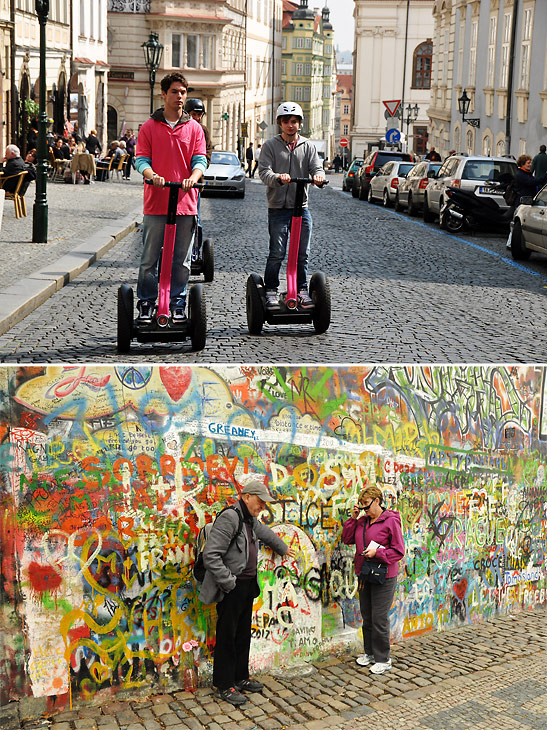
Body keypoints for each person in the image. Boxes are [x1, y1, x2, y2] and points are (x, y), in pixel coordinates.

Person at [198, 479, 295, 706]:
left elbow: (265, 534)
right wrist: (229, 582)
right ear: (246, 496)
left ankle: (241, 678)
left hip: (247, 585)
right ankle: (224, 684)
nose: (262, 507)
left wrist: (283, 548)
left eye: (264, 504)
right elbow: (211, 555)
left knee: (242, 635)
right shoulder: (230, 517)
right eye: (260, 502)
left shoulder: (249, 518)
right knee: (227, 636)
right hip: (232, 586)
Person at [135, 71, 206, 323]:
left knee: (181, 261)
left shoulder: (194, 128)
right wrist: (151, 173)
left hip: (185, 203)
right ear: (163, 94)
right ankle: (145, 302)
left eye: (183, 92)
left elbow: (200, 160)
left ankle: (177, 303)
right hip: (156, 203)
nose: (179, 97)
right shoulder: (149, 127)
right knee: (149, 259)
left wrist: (194, 177)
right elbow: (140, 159)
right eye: (174, 91)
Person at [258, 101, 325, 310]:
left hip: (301, 208)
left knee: (301, 253)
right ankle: (271, 290)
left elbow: (317, 167)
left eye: (294, 121)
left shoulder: (308, 146)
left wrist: (319, 176)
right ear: (280, 123)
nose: (290, 125)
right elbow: (264, 172)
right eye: (286, 121)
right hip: (278, 207)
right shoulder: (270, 145)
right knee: (277, 252)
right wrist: (278, 178)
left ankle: (301, 289)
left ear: (299, 124)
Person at [342, 485, 405, 676]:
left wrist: (378, 553)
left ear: (377, 501)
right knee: (367, 616)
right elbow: (347, 539)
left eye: (367, 506)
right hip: (365, 573)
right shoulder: (362, 521)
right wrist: (353, 519)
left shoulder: (391, 521)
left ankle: (383, 659)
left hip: (384, 575)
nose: (365, 510)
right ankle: (369, 653)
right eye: (361, 507)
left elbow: (398, 551)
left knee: (379, 618)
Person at [184, 98, 212, 166]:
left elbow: (208, 150)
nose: (197, 118)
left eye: (199, 114)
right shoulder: (180, 128)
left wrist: (201, 166)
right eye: (193, 114)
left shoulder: (204, 130)